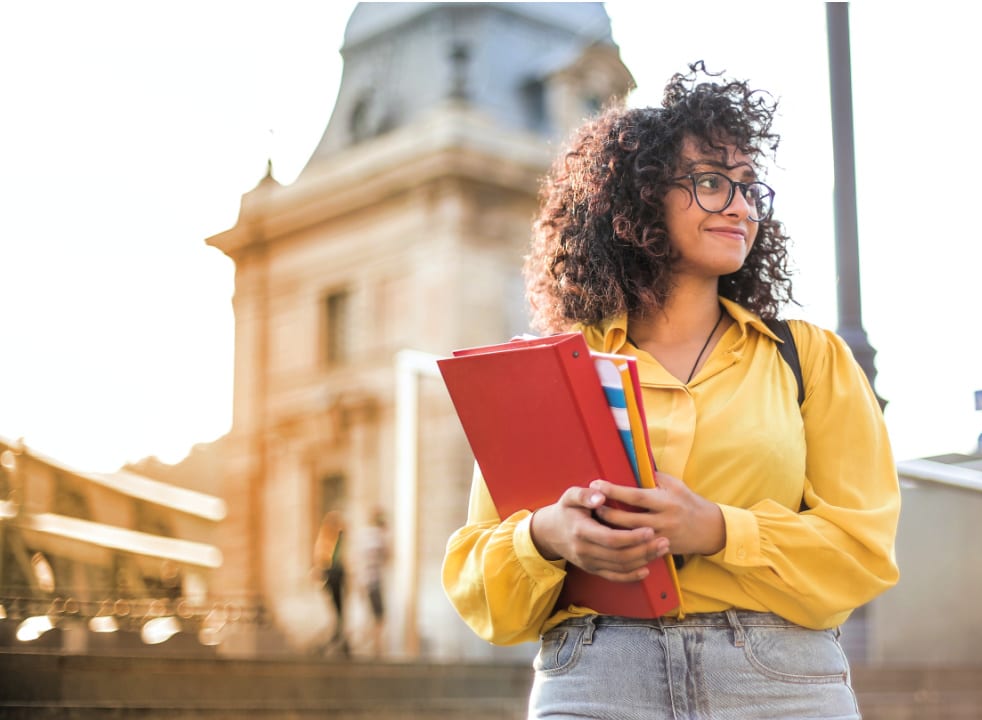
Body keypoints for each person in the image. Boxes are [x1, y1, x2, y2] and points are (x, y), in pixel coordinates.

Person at [442, 63, 900, 719]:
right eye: (712, 183)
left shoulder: (809, 359)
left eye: (748, 188)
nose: (740, 206)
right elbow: (480, 584)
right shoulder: (552, 373)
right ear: (640, 197)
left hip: (779, 681)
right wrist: (546, 536)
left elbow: (862, 553)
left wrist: (716, 529)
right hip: (597, 678)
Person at [313, 509, 350, 657]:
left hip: (336, 576)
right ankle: (337, 637)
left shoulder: (336, 538)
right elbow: (322, 560)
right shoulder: (328, 539)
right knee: (337, 610)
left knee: (339, 610)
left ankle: (339, 637)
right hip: (332, 576)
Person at [356, 507, 391, 657]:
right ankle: (375, 646)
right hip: (374, 580)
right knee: (379, 616)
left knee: (371, 614)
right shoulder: (377, 537)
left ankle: (371, 644)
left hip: (364, 580)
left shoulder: (364, 535)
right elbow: (387, 556)